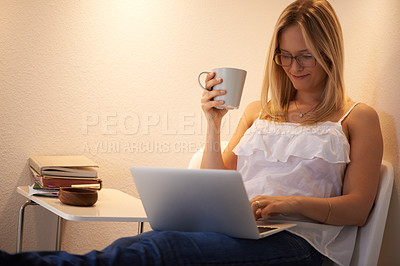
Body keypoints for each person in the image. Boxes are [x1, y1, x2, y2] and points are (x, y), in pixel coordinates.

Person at [1, 0, 382, 265]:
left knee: (159, 250)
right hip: (243, 232)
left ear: (330, 51)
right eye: (284, 55)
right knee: (145, 245)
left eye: (305, 55)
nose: (292, 66)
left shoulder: (356, 117)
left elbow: (359, 208)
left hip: (302, 246)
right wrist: (213, 125)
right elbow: (215, 187)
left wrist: (289, 203)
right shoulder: (257, 112)